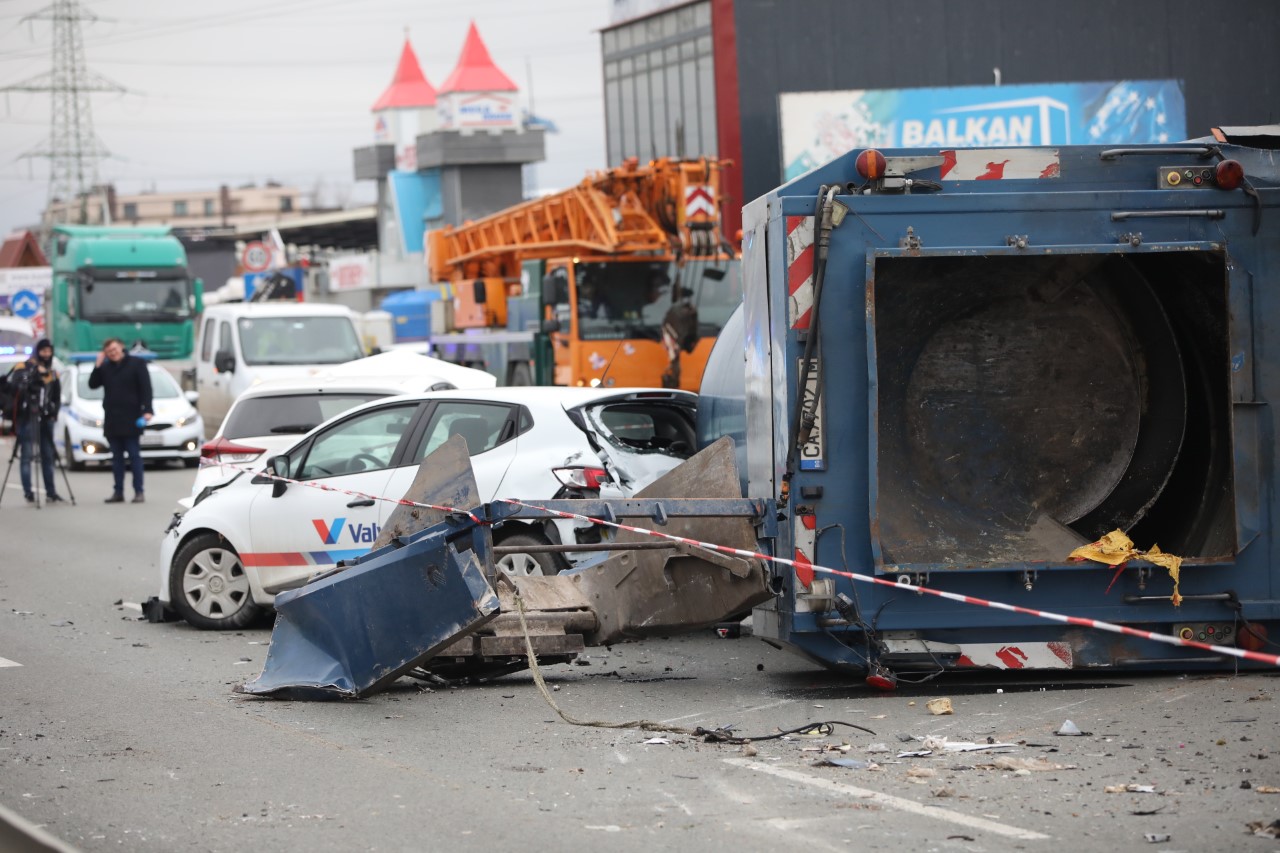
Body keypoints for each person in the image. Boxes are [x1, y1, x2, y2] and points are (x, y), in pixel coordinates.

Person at [88, 338, 153, 503]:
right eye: (109, 351)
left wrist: (148, 410)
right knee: (116, 459)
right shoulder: (105, 367)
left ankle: (139, 491)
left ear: (122, 347)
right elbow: (93, 384)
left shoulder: (137, 364)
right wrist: (98, 364)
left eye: (115, 349)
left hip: (132, 418)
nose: (113, 353)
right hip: (112, 419)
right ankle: (118, 492)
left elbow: (146, 388)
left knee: (134, 456)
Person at [2, 338, 63, 503]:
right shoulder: (23, 368)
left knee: (48, 455)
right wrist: (31, 375)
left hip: (46, 417)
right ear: (37, 352)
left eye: (49, 351)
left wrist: (53, 413)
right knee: (27, 454)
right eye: (43, 351)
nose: (46, 354)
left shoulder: (52, 372)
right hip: (27, 416)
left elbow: (56, 396)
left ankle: (51, 491)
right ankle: (28, 492)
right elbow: (15, 387)